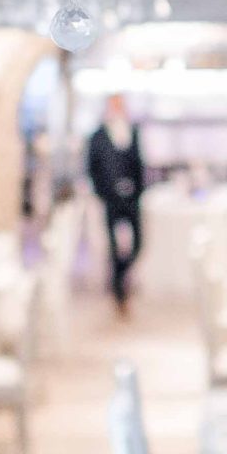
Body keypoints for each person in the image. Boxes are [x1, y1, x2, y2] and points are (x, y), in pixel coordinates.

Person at [86, 95, 146, 315]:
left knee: (138, 244)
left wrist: (138, 190)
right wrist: (103, 192)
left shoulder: (133, 131)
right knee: (113, 247)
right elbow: (92, 167)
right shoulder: (98, 136)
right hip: (111, 199)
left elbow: (140, 164)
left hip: (132, 198)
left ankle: (120, 276)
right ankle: (120, 291)